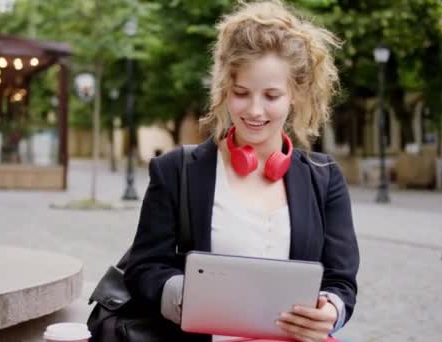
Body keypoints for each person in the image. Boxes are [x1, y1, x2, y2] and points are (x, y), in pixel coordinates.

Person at [124, 1, 359, 341]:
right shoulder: (176, 172)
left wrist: (331, 311)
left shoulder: (326, 179)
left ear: (295, 95)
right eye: (241, 93)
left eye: (272, 95)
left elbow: (341, 280)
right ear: (224, 89)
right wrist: (188, 299)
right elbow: (143, 269)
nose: (255, 110)